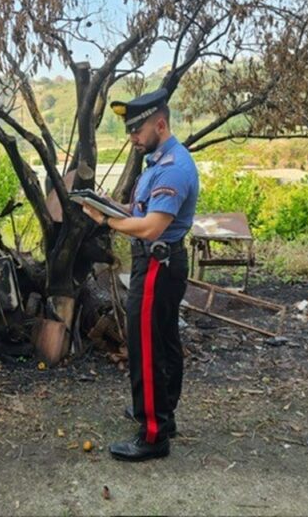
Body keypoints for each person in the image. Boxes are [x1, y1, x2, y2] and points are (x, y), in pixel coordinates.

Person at [82, 88, 199, 461]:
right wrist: (104, 204)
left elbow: (150, 227)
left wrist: (105, 220)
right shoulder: (157, 164)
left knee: (146, 346)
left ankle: (152, 435)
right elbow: (138, 209)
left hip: (157, 264)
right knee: (162, 341)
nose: (132, 137)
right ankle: (163, 416)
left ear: (160, 124)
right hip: (158, 264)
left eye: (137, 130)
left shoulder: (174, 168)